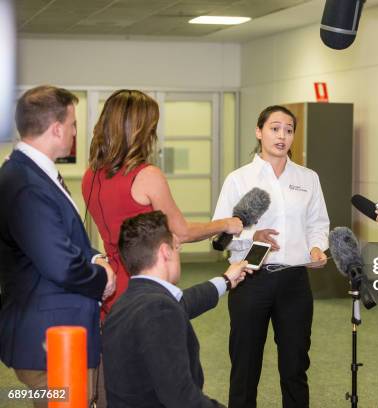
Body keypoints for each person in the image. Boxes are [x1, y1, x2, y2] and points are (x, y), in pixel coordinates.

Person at [0, 85, 115, 407]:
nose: (76, 132)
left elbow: (62, 238)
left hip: (55, 325)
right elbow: (61, 264)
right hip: (49, 334)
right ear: (56, 128)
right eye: (74, 124)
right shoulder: (26, 184)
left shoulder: (33, 172)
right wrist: (102, 278)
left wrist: (95, 256)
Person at [82, 89, 243, 317]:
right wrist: (226, 224)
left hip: (111, 285)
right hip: (144, 283)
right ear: (140, 130)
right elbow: (183, 231)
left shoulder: (91, 175)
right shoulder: (146, 175)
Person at [212, 105, 330, 408]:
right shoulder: (239, 179)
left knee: (294, 366)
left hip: (294, 282)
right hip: (250, 278)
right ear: (259, 131)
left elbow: (318, 223)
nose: (282, 136)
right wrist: (254, 236)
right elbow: (220, 234)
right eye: (274, 128)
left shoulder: (308, 178)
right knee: (245, 366)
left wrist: (318, 247)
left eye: (289, 130)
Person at [102, 210, 251, 408]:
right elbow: (181, 398)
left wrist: (225, 281)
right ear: (165, 251)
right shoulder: (159, 311)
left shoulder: (126, 304)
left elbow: (180, 303)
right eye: (177, 247)